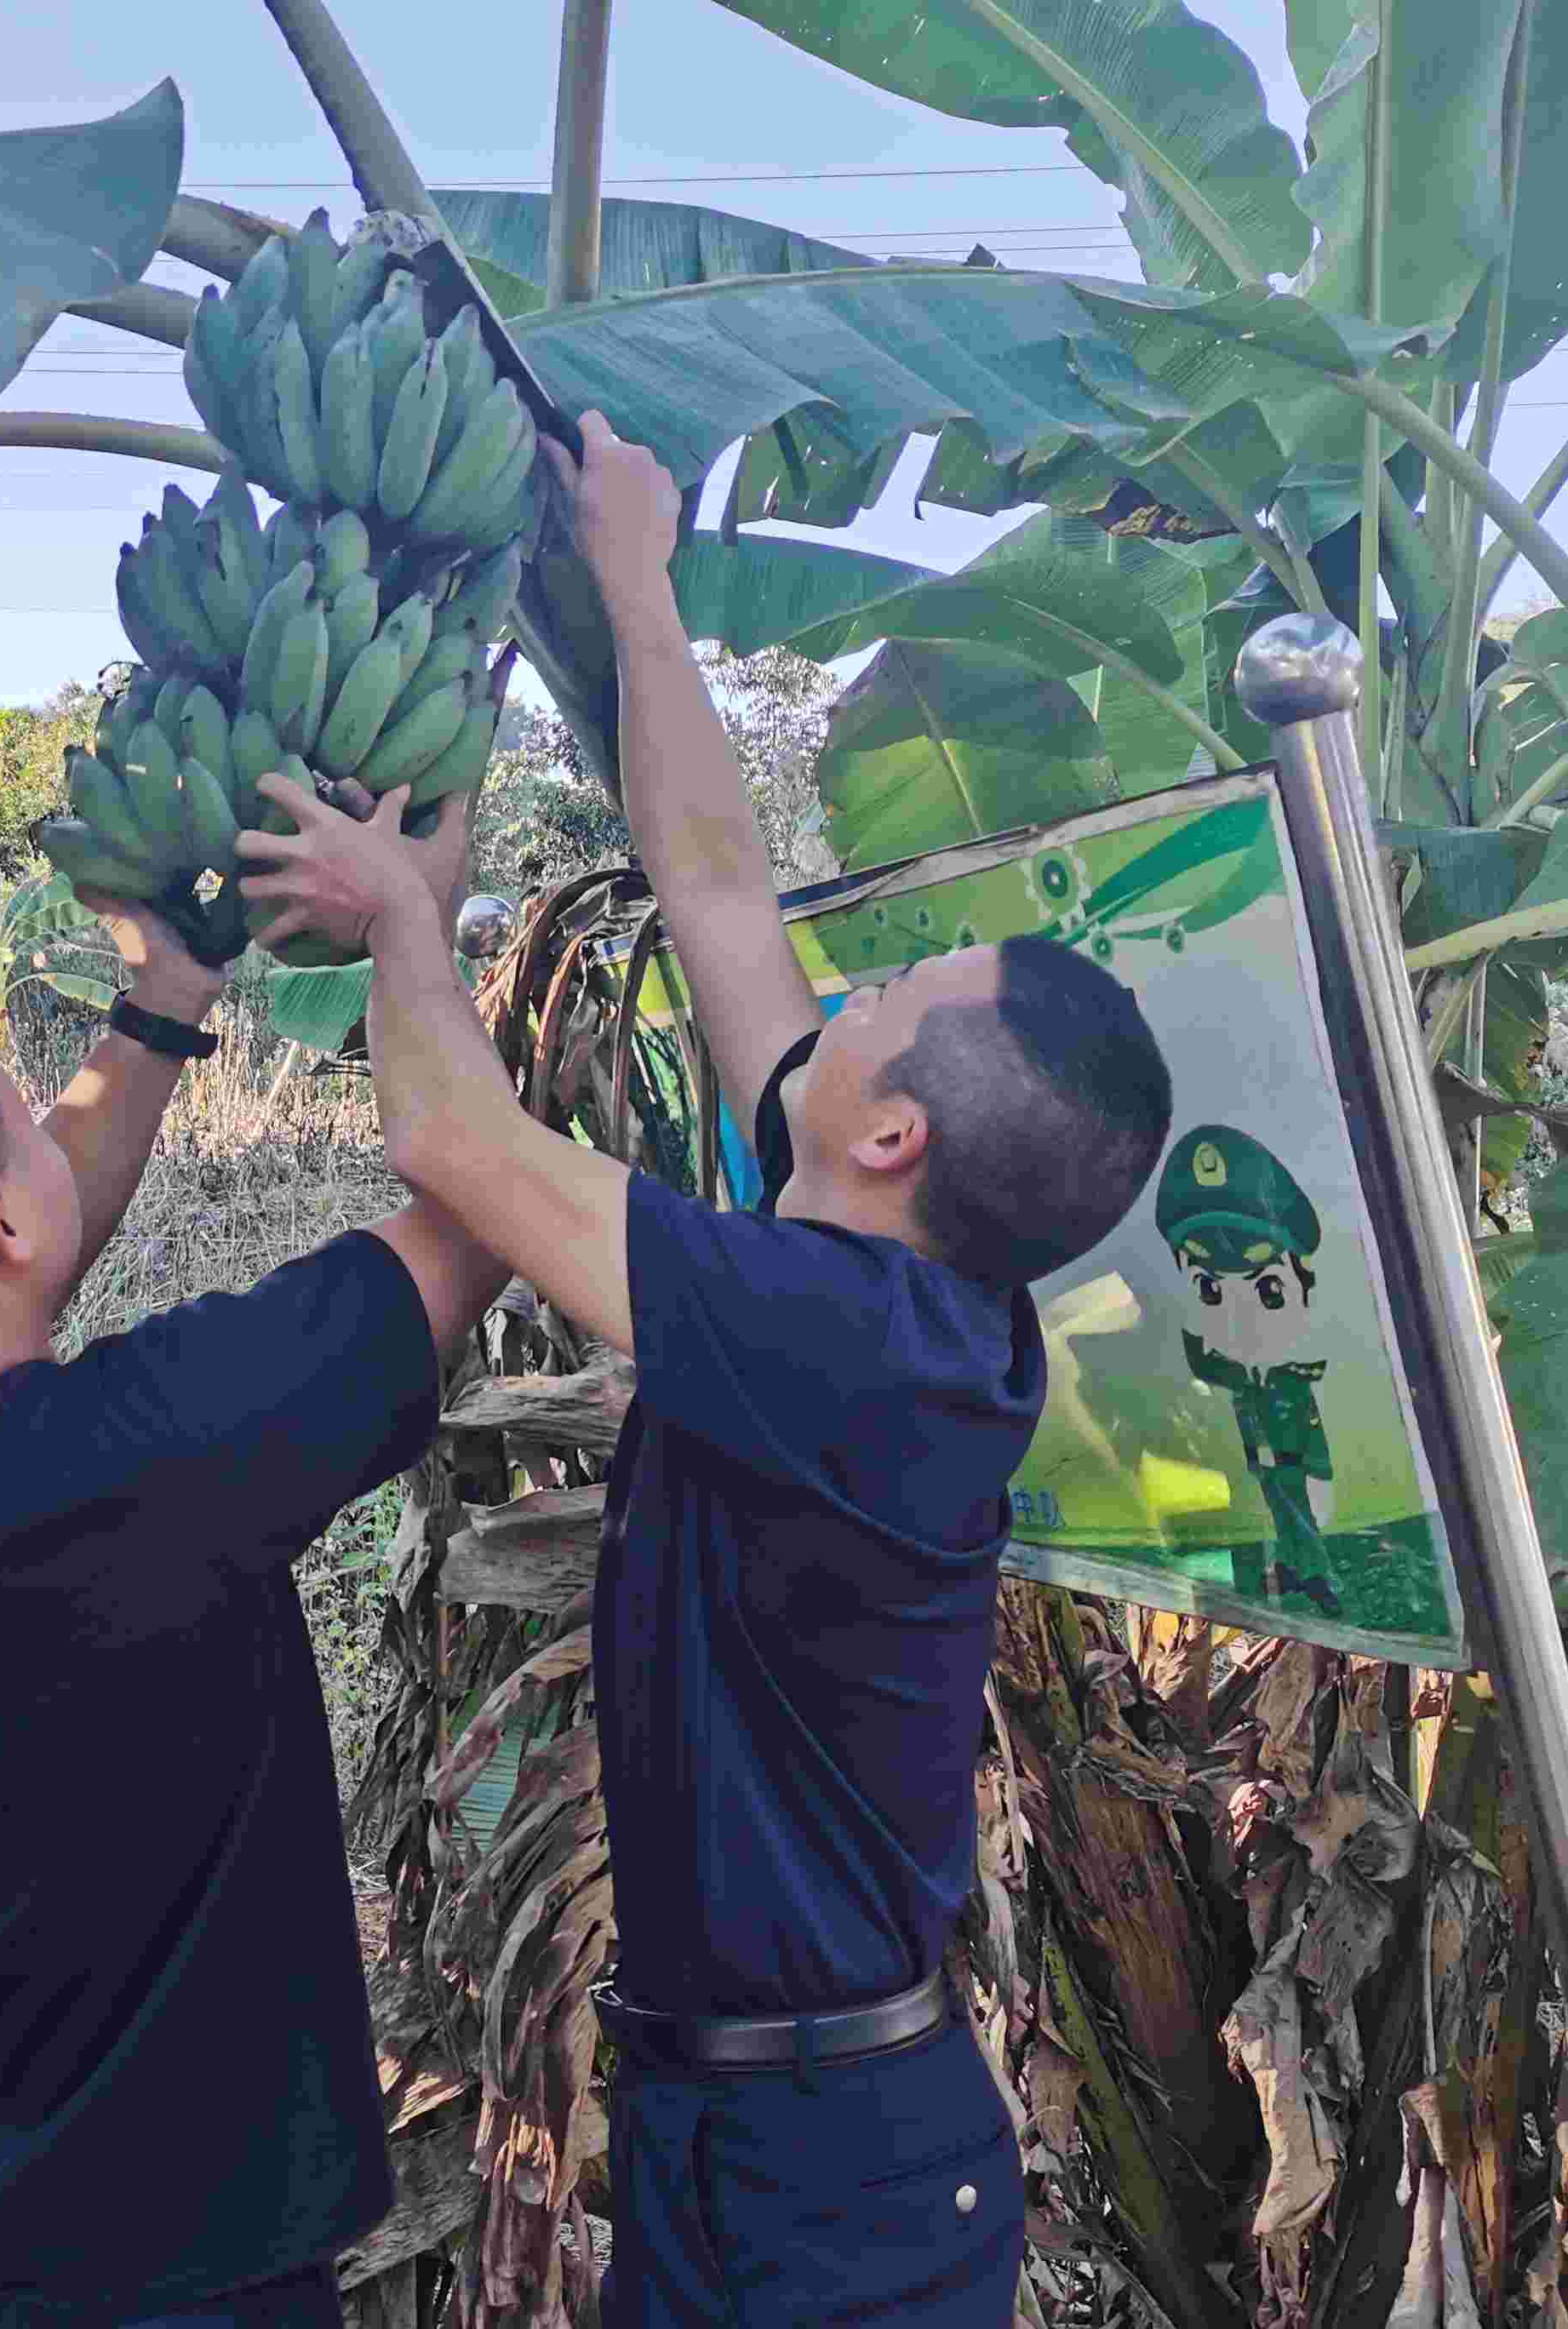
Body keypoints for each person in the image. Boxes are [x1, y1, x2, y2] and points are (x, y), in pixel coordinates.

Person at [235, 409, 1176, 2328]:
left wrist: (412, 915)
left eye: (891, 1004)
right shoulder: (867, 1266)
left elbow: (463, 1153)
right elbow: (725, 898)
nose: (851, 994)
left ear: (894, 1131)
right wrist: (637, 590)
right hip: (758, 2124)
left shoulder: (844, 1343)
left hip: (835, 2176)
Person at [0, 839, 505, 2329]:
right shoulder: (150, 1460)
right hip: (173, 2288)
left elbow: (4, 1256)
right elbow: (479, 1214)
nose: (43, 1122)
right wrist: (414, 918)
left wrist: (159, 1010)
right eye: (21, 1115)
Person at [1157, 1123, 1339, 1616]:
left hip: (1283, 1464)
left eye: (1268, 1290)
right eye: (1209, 1289)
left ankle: (1314, 1573)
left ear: (1304, 1289)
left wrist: (1315, 1463)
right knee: (1258, 1516)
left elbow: (1310, 1428)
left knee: (1295, 1512)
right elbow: (1199, 1361)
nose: (1236, 1316)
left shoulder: (1293, 1376)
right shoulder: (1216, 1375)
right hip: (1238, 1473)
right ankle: (1286, 1572)